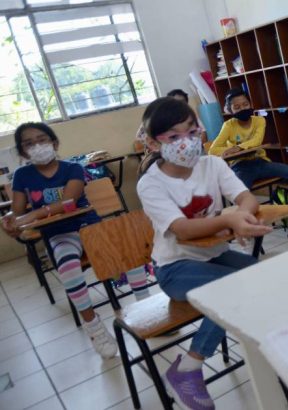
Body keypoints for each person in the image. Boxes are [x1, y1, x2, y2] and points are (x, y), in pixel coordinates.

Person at [137, 97, 272, 410]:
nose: (185, 142)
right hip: (175, 268)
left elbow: (246, 197)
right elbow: (182, 229)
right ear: (154, 143)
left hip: (213, 255)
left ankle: (266, 346)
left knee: (259, 273)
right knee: (231, 288)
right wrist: (228, 219)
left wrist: (244, 219)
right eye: (173, 136)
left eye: (191, 131)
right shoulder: (150, 184)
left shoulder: (213, 163)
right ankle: (188, 368)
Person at [0, 123, 151, 359]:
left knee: (129, 249)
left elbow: (69, 202)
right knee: (68, 266)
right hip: (59, 235)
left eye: (42, 139)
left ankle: (147, 311)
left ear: (55, 143)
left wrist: (32, 215)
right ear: (22, 152)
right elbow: (19, 213)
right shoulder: (22, 176)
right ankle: (95, 328)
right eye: (29, 143)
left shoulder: (72, 168)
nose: (37, 146)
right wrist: (10, 221)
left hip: (89, 227)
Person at [209, 88, 288, 234]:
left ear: (250, 104)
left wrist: (238, 147)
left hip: (261, 162)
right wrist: (228, 151)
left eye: (245, 104)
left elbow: (257, 140)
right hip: (240, 167)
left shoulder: (259, 120)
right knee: (241, 194)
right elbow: (213, 149)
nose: (242, 108)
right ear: (229, 110)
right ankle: (246, 226)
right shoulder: (229, 126)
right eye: (237, 107)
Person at [135, 89, 207, 154]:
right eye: (173, 136)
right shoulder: (158, 119)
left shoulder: (191, 118)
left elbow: (203, 133)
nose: (178, 106)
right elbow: (140, 137)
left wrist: (196, 146)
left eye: (182, 103)